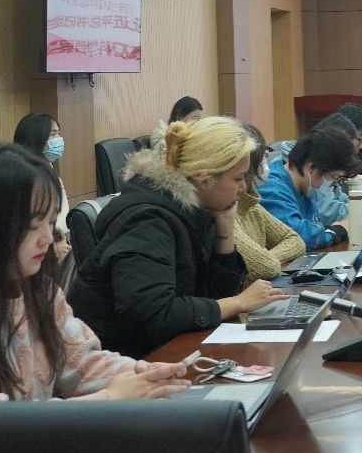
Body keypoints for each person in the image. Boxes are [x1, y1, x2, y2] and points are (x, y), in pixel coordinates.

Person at [0, 143, 189, 401]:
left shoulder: (37, 288)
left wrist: (140, 373)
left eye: (50, 221)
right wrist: (109, 398)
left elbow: (80, 360)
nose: (47, 238)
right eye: (33, 226)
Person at [67, 117, 286, 359]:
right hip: (120, 359)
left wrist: (225, 227)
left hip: (164, 348)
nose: (244, 187)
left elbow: (215, 295)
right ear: (204, 179)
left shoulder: (196, 210)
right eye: (238, 178)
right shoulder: (146, 222)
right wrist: (239, 303)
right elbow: (153, 313)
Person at [256, 127, 361, 251]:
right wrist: (336, 231)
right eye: (333, 178)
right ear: (312, 168)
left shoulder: (305, 188)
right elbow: (298, 237)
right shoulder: (272, 188)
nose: (332, 185)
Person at [235, 125, 305, 281]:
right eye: (263, 158)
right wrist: (265, 260)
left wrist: (265, 257)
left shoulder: (250, 202)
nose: (266, 163)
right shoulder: (226, 208)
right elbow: (265, 268)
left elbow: (296, 240)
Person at [13, 113, 73, 262]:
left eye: (59, 133)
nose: (59, 139)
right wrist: (54, 244)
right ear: (35, 137)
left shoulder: (47, 168)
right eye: (53, 134)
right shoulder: (27, 176)